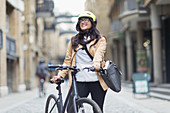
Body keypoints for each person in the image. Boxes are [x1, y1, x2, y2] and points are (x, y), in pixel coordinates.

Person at [52, 11, 109, 112]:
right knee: (72, 109)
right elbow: (68, 60)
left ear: (92, 22)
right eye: (81, 20)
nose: (83, 22)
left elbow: (99, 54)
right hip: (79, 80)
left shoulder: (100, 39)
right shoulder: (74, 40)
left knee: (98, 109)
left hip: (96, 80)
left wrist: (96, 64)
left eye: (86, 20)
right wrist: (60, 75)